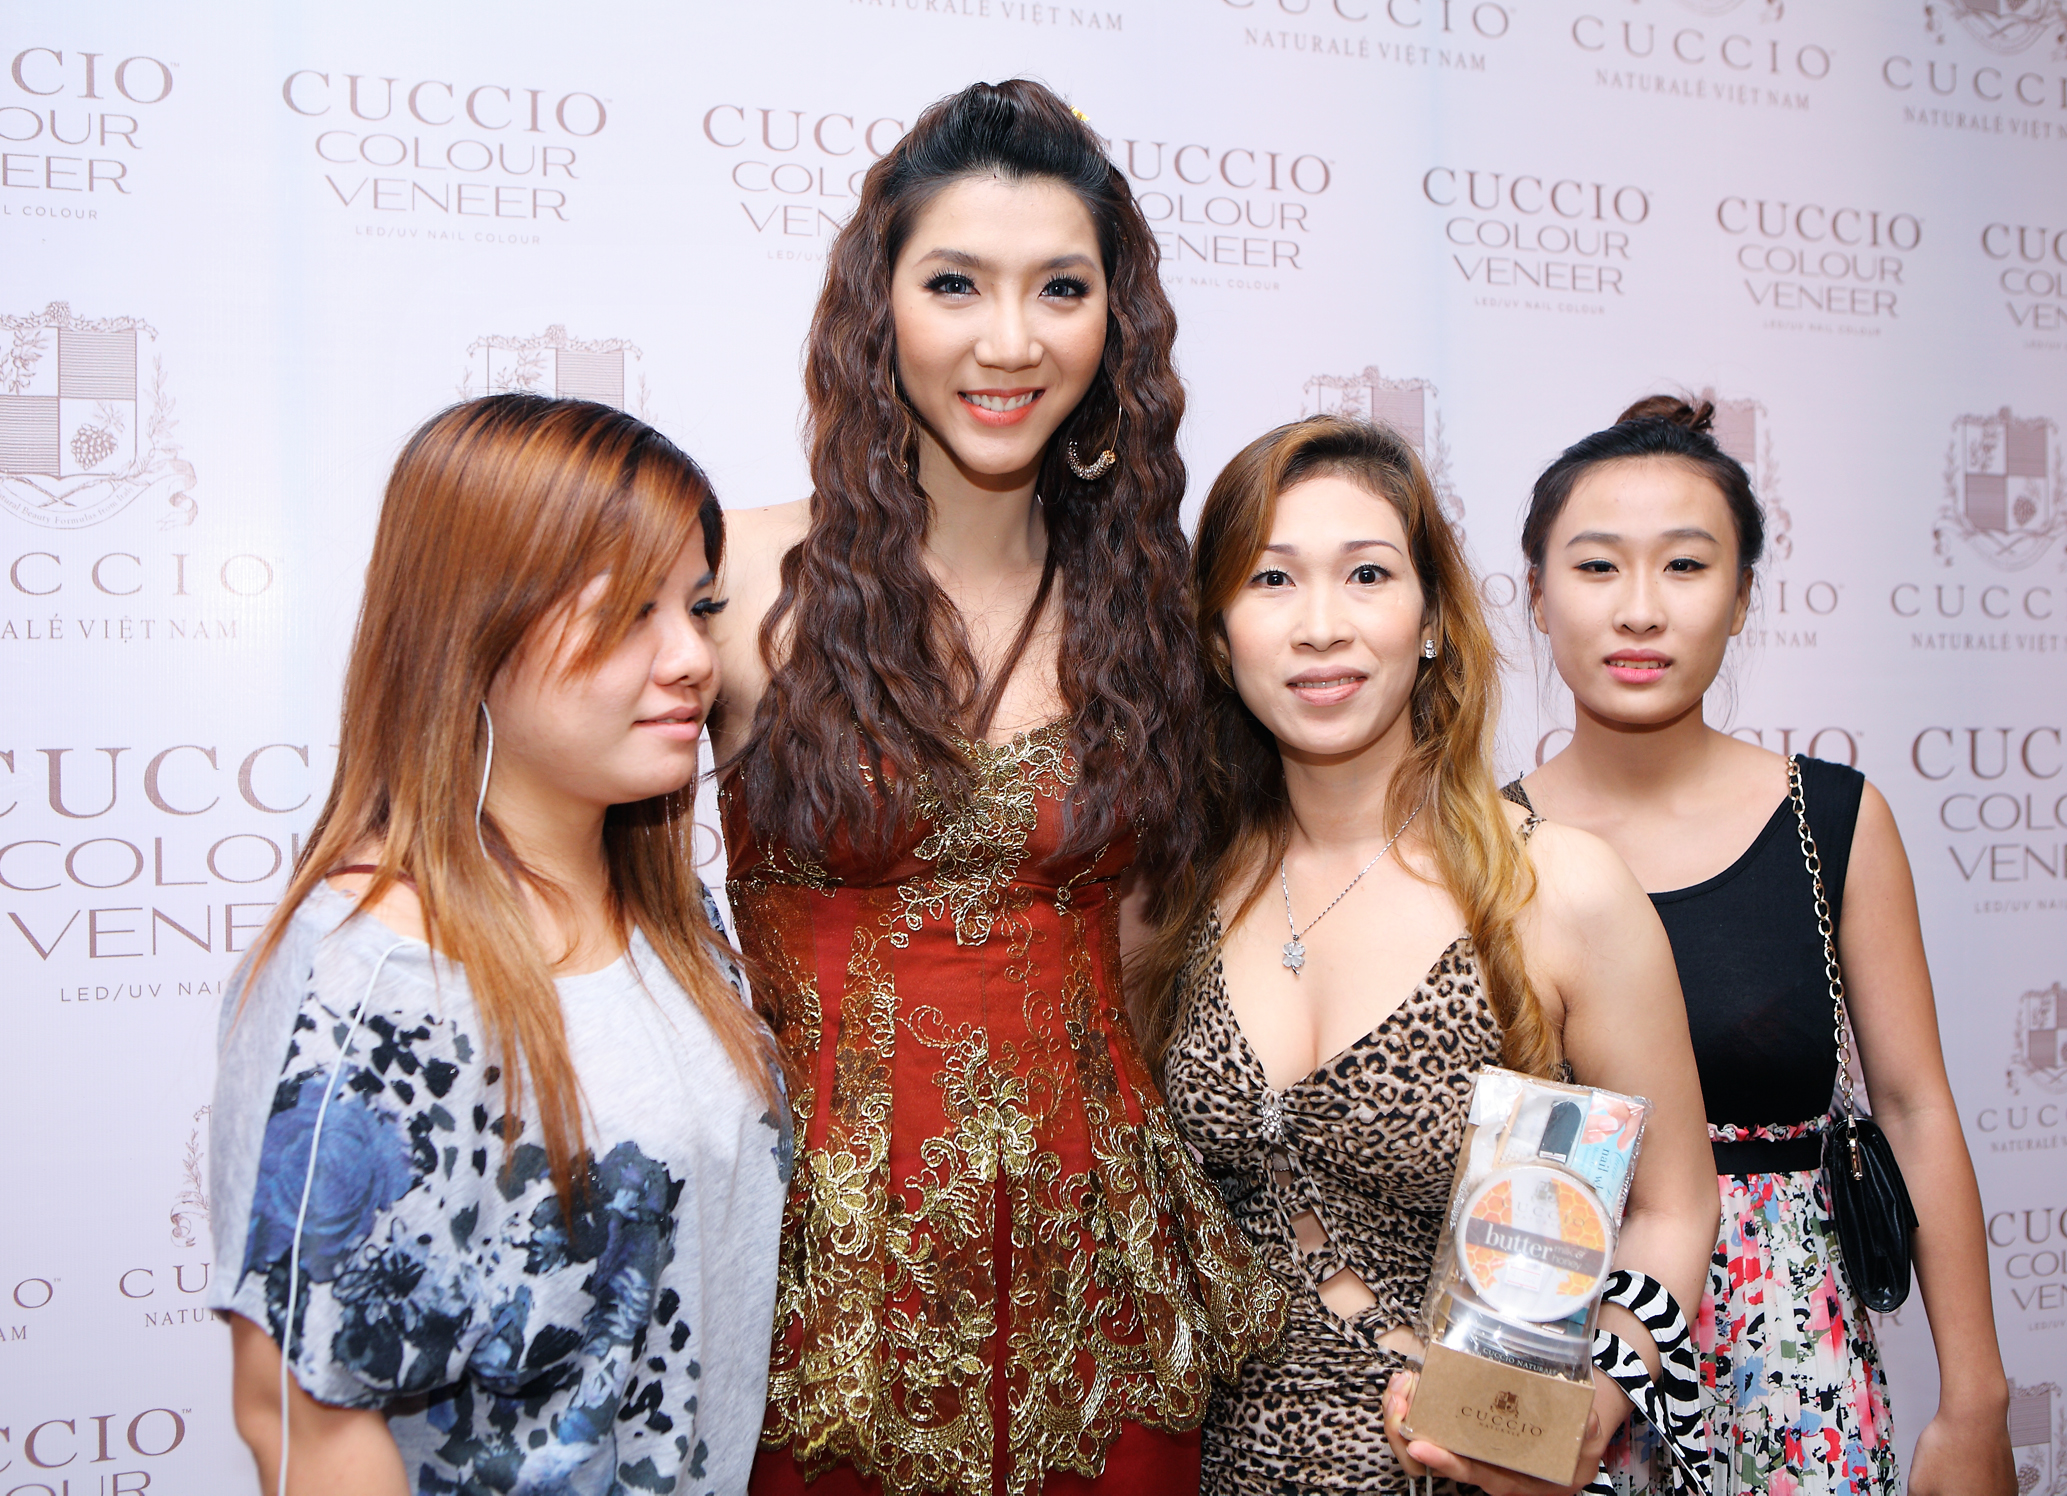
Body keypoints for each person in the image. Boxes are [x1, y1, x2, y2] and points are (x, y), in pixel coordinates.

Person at [708, 79, 1285, 1496]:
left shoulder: (1151, 610)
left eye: (1061, 288)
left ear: (1115, 322)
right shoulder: (730, 581)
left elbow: (1155, 953)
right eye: (955, 283)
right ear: (878, 303)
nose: (1010, 340)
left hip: (1102, 1296)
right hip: (817, 1300)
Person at [209, 395, 790, 1496]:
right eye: (626, 611)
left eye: (699, 605)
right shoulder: (380, 976)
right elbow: (304, 1418)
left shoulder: (680, 923)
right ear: (472, 627)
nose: (691, 658)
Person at [1134, 413, 1720, 1496]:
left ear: (1435, 618)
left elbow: (1673, 1205)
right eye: (1271, 580)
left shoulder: (1555, 888)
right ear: (1217, 637)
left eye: (1367, 574)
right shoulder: (1171, 894)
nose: (1322, 627)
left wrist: (1592, 1402)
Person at [1508, 396, 2017, 1496]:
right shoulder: (1478, 848)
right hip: (1553, 1367)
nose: (1639, 609)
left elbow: (1915, 1108)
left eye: (1686, 566)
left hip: (1793, 1371)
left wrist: (1975, 1401)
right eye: (1596, 566)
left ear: (1741, 598)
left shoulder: (1831, 819)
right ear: (1536, 594)